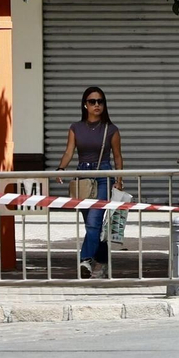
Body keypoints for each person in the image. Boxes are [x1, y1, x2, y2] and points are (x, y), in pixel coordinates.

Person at [56, 85, 123, 280]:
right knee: (91, 225)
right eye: (92, 101)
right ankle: (101, 263)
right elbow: (69, 151)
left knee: (94, 223)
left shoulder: (111, 129)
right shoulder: (75, 128)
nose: (96, 105)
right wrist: (61, 168)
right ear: (85, 105)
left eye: (100, 101)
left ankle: (85, 259)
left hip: (103, 175)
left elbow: (118, 157)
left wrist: (119, 180)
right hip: (83, 176)